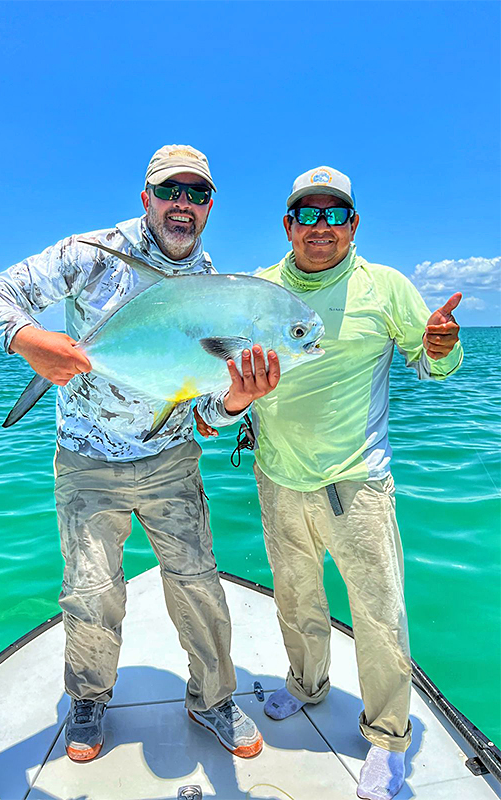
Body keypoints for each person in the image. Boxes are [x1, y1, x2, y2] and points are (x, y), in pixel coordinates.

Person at [0, 144, 280, 763]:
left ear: (210, 206)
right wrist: (32, 340)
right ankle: (88, 699)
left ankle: (213, 698)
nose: (181, 205)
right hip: (87, 462)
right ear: (146, 198)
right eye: (170, 191)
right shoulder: (88, 254)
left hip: (171, 459)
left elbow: (203, 406)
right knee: (91, 588)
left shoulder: (215, 285)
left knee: (199, 584)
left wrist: (238, 402)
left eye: (197, 194)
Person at [195, 165, 462, 800]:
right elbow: (214, 391)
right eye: (307, 214)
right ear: (288, 225)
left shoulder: (386, 287)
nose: (321, 227)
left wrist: (443, 346)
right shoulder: (256, 290)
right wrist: (230, 402)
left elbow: (430, 366)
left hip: (359, 484)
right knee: (296, 602)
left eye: (333, 214)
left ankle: (387, 739)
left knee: (379, 618)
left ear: (353, 225)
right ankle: (307, 688)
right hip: (278, 478)